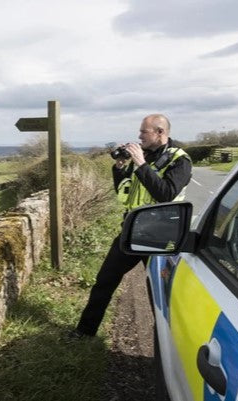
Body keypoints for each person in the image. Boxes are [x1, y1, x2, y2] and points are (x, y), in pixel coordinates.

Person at [71, 114, 192, 338]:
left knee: (160, 293)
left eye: (143, 132)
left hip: (160, 237)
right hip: (133, 229)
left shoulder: (180, 160)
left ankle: (166, 343)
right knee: (105, 280)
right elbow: (125, 194)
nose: (139, 136)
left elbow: (166, 194)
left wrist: (142, 164)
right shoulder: (142, 156)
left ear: (160, 133)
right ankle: (84, 332)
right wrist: (119, 168)